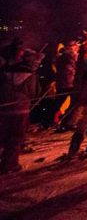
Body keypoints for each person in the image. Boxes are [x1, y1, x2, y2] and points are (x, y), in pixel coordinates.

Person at [1, 39, 41, 173]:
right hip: (20, 107)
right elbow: (34, 91)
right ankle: (10, 164)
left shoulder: (3, 71)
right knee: (16, 136)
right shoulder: (28, 72)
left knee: (3, 134)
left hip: (4, 107)